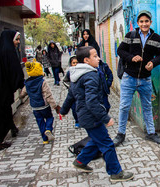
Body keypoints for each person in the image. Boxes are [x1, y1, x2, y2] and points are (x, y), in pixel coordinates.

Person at [60, 46, 134, 182]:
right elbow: (91, 101)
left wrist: (63, 111)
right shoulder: (90, 75)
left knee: (95, 140)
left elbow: (70, 96)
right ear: (86, 60)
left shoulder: (76, 74)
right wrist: (105, 118)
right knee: (107, 144)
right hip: (91, 117)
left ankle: (81, 161)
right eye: (95, 56)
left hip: (85, 116)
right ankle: (116, 173)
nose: (98, 58)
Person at [113, 10, 160, 146]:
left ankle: (151, 133)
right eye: (141, 21)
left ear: (150, 22)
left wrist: (153, 63)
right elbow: (120, 50)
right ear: (138, 23)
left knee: (147, 106)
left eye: (146, 21)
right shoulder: (130, 35)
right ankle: (120, 134)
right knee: (124, 106)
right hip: (129, 77)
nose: (144, 24)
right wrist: (131, 57)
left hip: (145, 79)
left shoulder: (157, 38)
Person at [0, 30, 24, 151]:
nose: (17, 42)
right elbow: (15, 70)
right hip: (2, 90)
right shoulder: (8, 51)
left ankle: (12, 128)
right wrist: (21, 84)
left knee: (4, 110)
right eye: (16, 39)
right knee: (2, 112)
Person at [19, 61, 61, 144]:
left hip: (35, 107)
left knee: (40, 121)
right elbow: (48, 95)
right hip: (44, 105)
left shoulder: (27, 83)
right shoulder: (42, 82)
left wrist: (21, 96)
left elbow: (23, 93)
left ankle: (45, 139)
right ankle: (48, 129)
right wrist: (55, 106)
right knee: (49, 117)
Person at [78, 29, 113, 112]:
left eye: (87, 34)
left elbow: (109, 74)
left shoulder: (102, 65)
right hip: (92, 88)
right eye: (84, 34)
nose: (86, 36)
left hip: (102, 87)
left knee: (106, 105)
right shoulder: (80, 45)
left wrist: (107, 84)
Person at [62, 55, 80, 128]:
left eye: (77, 62)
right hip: (73, 94)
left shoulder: (82, 71)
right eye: (74, 63)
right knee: (74, 108)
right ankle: (77, 121)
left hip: (81, 94)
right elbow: (65, 81)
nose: (75, 64)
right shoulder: (69, 72)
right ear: (71, 64)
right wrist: (71, 87)